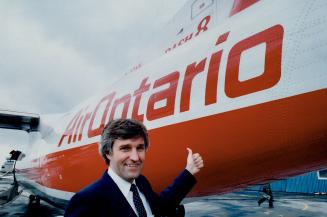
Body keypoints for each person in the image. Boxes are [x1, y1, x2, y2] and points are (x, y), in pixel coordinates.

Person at [65, 118, 204, 217]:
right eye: (125, 148)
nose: (136, 157)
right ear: (108, 153)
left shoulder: (141, 182)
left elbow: (161, 207)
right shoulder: (86, 201)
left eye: (140, 148)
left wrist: (189, 171)